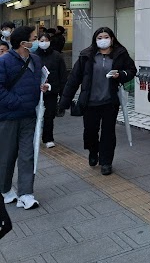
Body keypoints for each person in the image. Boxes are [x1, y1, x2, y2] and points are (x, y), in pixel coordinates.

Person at [59, 28, 136, 176]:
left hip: (110, 102)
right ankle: (93, 151)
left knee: (108, 133)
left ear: (112, 38)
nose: (103, 39)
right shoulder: (86, 55)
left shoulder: (120, 54)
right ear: (95, 40)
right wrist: (64, 102)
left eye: (106, 37)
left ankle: (106, 162)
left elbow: (131, 70)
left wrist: (120, 75)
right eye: (99, 37)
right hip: (90, 102)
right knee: (90, 132)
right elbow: (73, 79)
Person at [0, 26, 48, 210]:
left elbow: (38, 82)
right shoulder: (4, 62)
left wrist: (44, 87)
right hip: (8, 116)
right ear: (23, 43)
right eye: (34, 39)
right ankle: (4, 189)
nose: (36, 42)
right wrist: (18, 102)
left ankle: (26, 193)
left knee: (27, 155)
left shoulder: (35, 59)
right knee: (7, 156)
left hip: (29, 116)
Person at [36, 31, 67, 148]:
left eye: (46, 40)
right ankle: (34, 136)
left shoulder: (57, 56)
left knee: (49, 115)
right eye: (41, 41)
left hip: (51, 90)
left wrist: (60, 91)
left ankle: (48, 138)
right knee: (35, 115)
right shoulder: (33, 55)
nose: (44, 43)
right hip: (36, 91)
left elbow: (62, 75)